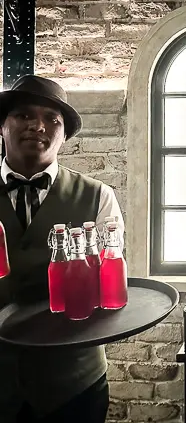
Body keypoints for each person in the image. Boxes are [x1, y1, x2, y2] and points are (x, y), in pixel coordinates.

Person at [0, 75, 124, 423]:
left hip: (73, 384)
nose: (37, 126)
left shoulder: (98, 196)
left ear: (64, 135)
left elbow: (107, 281)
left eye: (52, 119)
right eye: (23, 115)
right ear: (2, 126)